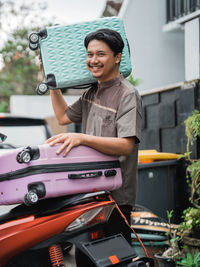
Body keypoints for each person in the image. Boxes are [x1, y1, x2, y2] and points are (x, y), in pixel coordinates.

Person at [45, 28, 142, 246]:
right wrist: (52, 83)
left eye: (101, 54)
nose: (93, 60)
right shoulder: (91, 92)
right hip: (89, 193)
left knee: (112, 259)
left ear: (117, 57)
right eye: (90, 54)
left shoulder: (128, 95)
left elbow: (126, 146)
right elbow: (62, 117)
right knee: (86, 257)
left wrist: (82, 138)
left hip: (115, 198)